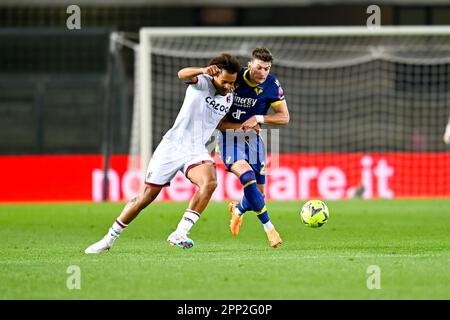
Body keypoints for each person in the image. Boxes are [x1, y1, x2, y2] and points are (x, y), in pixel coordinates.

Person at [85, 53, 241, 253]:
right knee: (146, 197)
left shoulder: (229, 96)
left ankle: (180, 233)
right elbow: (182, 74)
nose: (229, 86)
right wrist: (203, 70)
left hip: (196, 149)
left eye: (232, 82)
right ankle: (108, 239)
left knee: (210, 183)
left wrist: (242, 126)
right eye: (225, 81)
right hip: (172, 146)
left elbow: (218, 123)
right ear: (214, 75)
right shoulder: (202, 82)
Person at [216, 47, 289, 248]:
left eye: (267, 68)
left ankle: (237, 210)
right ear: (249, 66)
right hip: (228, 137)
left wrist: (258, 118)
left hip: (254, 139)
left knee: (259, 194)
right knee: (247, 176)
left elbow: (284, 117)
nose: (263, 73)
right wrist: (241, 126)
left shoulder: (272, 84)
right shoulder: (234, 78)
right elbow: (218, 122)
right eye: (259, 68)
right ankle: (270, 229)